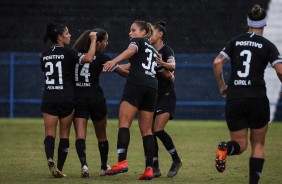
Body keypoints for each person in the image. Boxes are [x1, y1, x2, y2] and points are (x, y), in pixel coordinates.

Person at [213, 4, 282, 184]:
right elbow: (280, 71)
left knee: (240, 145)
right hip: (257, 97)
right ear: (265, 24)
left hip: (235, 97)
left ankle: (226, 149)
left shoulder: (235, 41)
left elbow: (217, 62)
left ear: (247, 22)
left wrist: (222, 86)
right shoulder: (268, 45)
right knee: (257, 145)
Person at [103, 20, 158, 180]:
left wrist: (114, 61)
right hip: (152, 86)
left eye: (133, 30)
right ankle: (149, 168)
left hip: (136, 85)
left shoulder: (137, 42)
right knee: (147, 131)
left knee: (124, 123)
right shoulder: (153, 49)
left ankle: (122, 162)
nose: (130, 33)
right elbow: (137, 65)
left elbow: (132, 50)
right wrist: (116, 67)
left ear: (143, 33)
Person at [41, 22, 97, 178]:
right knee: (64, 134)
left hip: (49, 97)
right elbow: (89, 58)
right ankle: (59, 167)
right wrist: (92, 40)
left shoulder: (45, 55)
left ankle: (50, 158)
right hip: (66, 97)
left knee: (49, 133)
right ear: (60, 37)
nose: (70, 35)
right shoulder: (69, 53)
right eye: (67, 33)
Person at [72, 28, 128, 178]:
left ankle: (84, 166)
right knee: (102, 135)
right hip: (96, 98)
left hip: (78, 98)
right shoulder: (102, 57)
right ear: (97, 42)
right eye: (105, 40)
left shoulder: (74, 55)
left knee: (80, 135)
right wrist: (142, 76)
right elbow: (122, 72)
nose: (106, 43)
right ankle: (104, 167)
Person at [149, 21, 182, 178]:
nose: (150, 35)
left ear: (160, 34)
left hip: (166, 95)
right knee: (151, 132)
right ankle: (155, 166)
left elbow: (171, 71)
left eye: (152, 32)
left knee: (158, 129)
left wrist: (161, 65)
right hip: (153, 95)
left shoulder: (166, 51)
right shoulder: (148, 51)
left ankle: (176, 160)